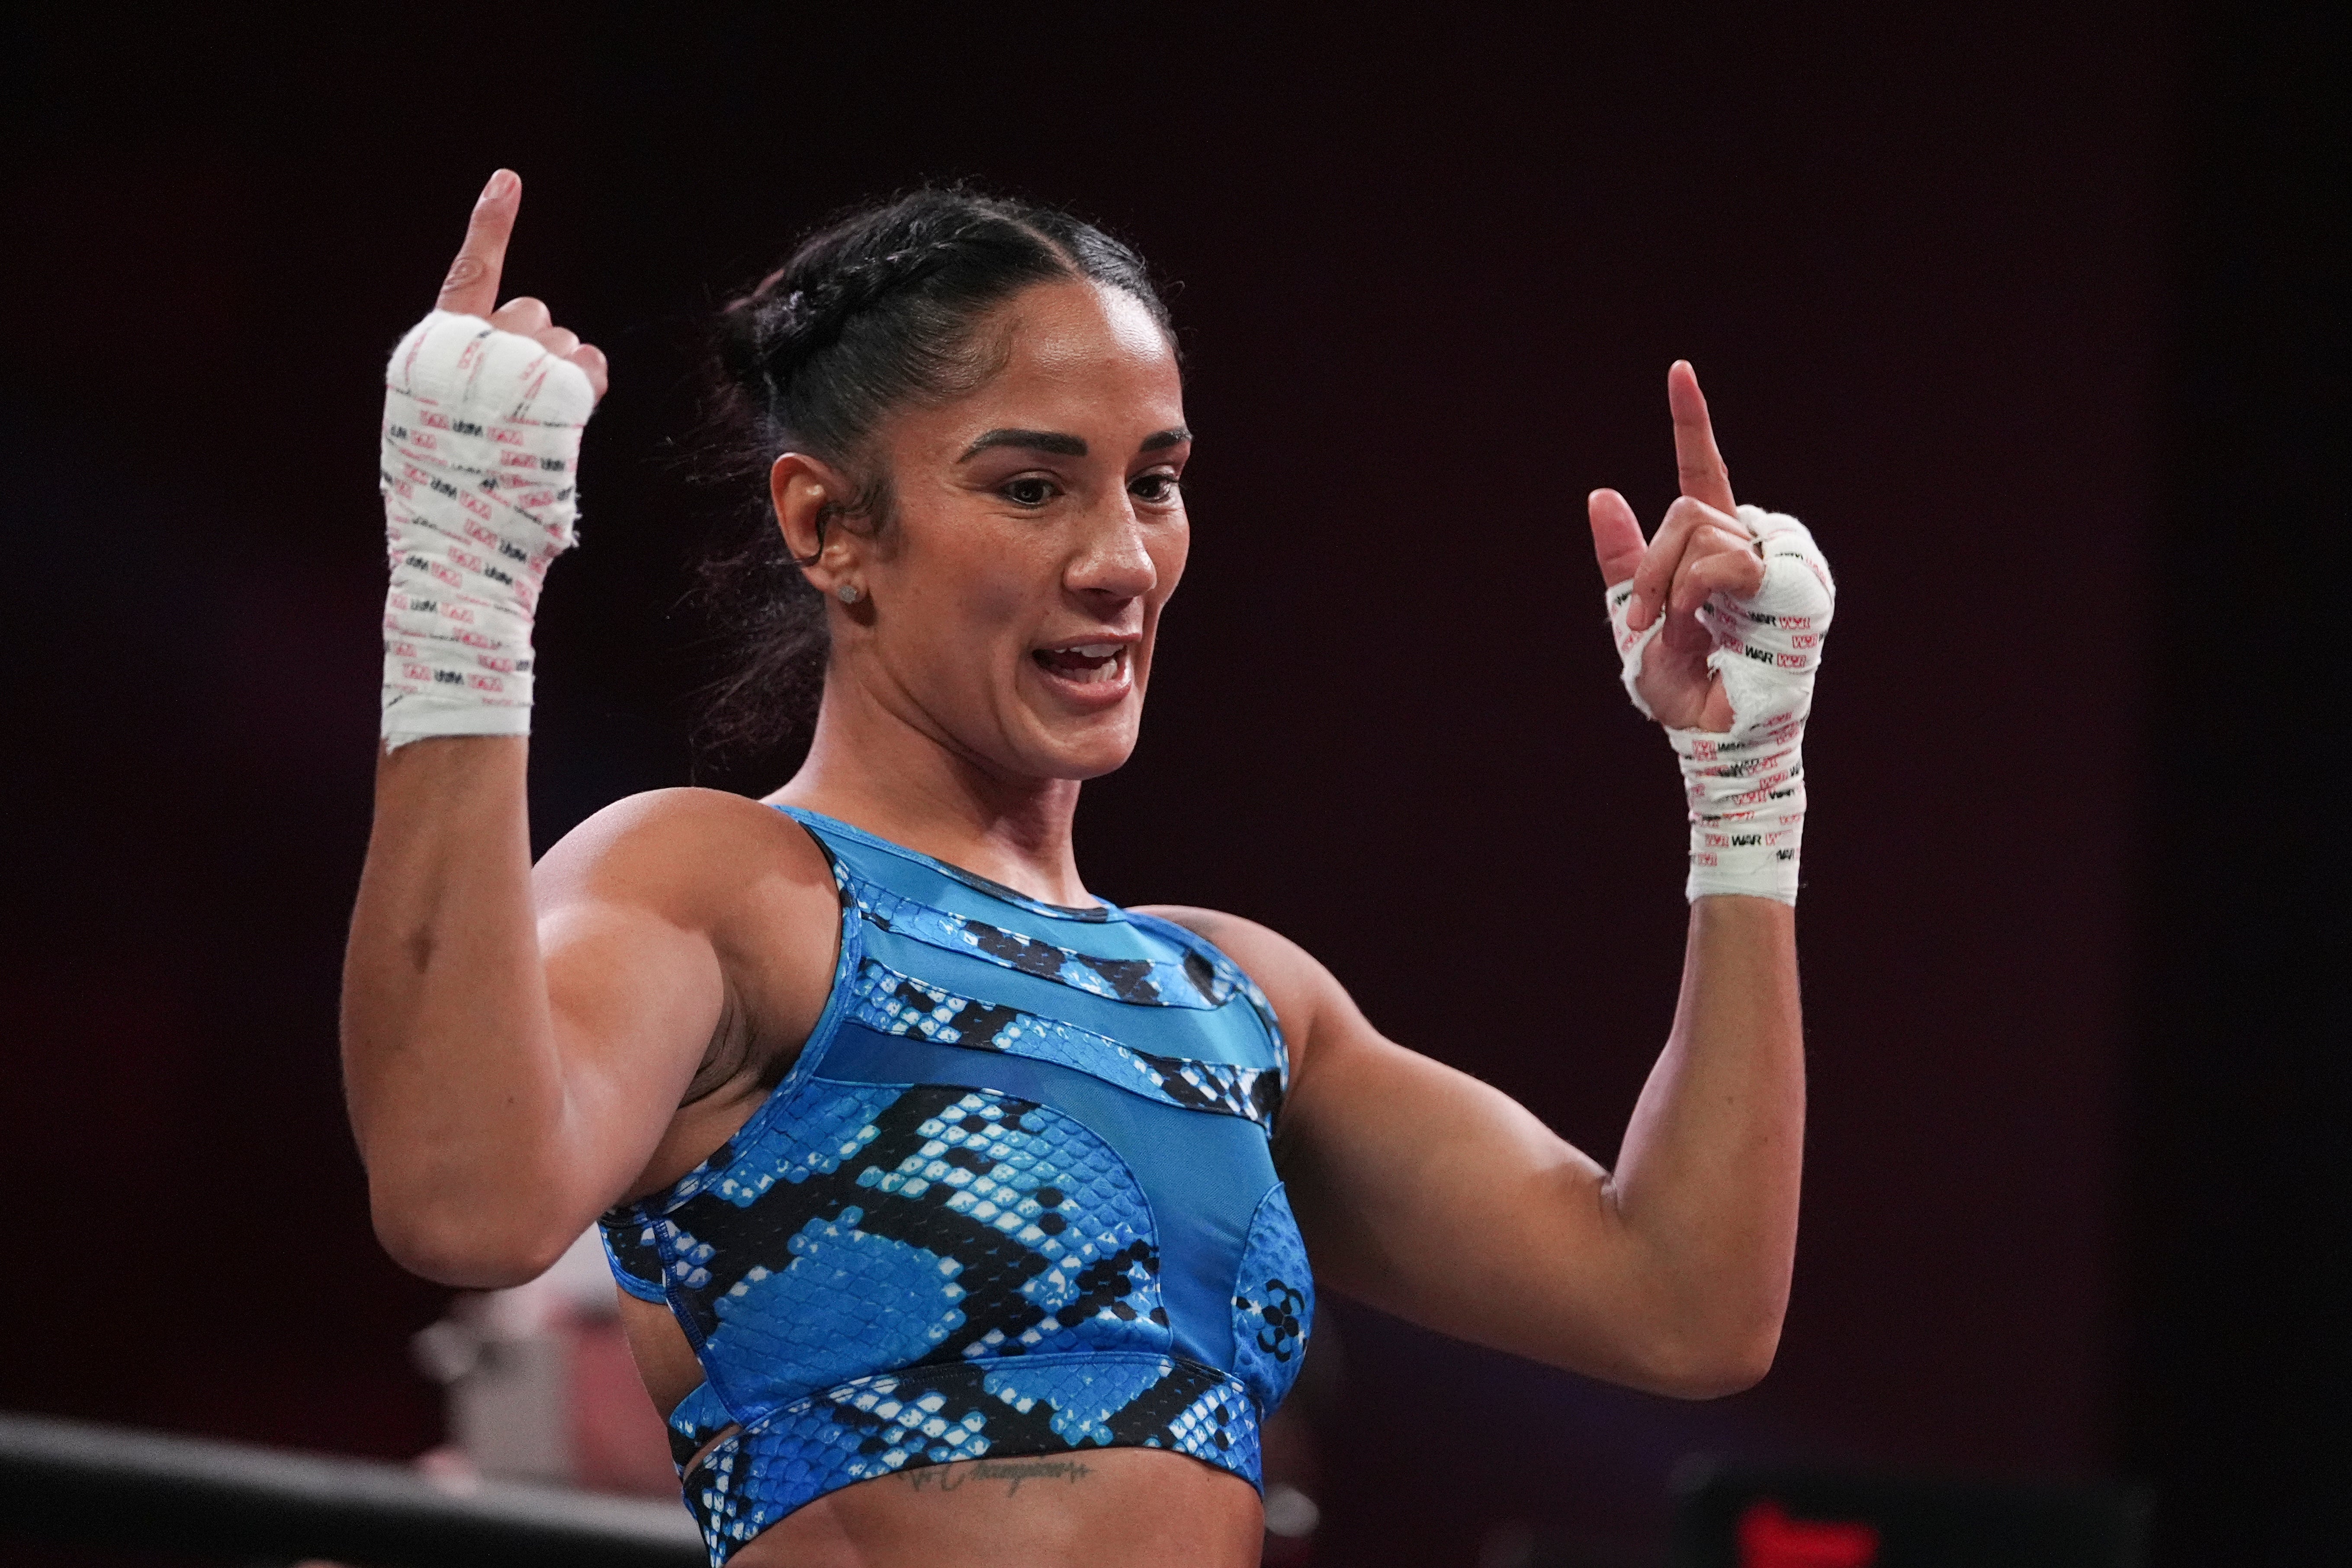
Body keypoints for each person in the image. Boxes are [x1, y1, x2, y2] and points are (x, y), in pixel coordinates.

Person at [343, 169, 1827, 1568]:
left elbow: (1684, 1309)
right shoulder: (725, 885)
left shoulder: (1236, 994)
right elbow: (464, 1205)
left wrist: (1744, 788)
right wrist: (464, 594)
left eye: (1155, 481)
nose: (1121, 557)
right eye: (1034, 488)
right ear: (827, 523)